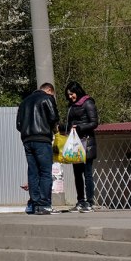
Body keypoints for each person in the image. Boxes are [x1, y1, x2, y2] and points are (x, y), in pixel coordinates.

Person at [17, 82, 60, 215]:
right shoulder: (47, 98)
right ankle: (45, 204)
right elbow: (54, 118)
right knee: (45, 172)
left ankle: (34, 204)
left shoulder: (24, 102)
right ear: (49, 90)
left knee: (33, 172)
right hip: (42, 139)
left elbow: (19, 124)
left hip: (27, 140)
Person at [64, 80, 99, 212]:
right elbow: (70, 123)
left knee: (87, 174)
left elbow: (94, 123)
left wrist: (79, 127)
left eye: (72, 94)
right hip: (75, 143)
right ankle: (80, 201)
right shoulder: (71, 106)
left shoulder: (88, 103)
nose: (70, 97)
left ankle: (89, 202)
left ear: (77, 91)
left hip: (86, 142)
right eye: (68, 95)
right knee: (77, 174)